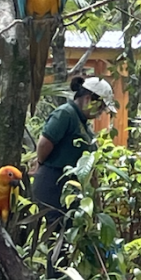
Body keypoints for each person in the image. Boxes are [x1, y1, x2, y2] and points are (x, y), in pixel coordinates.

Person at [31, 75, 114, 230]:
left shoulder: (82, 123)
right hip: (53, 185)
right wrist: (40, 163)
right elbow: (44, 144)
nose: (101, 112)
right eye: (101, 107)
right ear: (88, 99)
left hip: (69, 190)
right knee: (56, 236)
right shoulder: (66, 114)